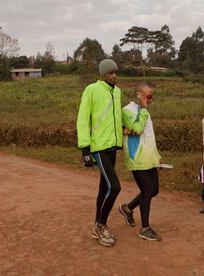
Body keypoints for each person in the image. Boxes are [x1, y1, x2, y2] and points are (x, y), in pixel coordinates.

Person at [76, 59, 123, 247]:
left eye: (115, 72)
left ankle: (97, 225)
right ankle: (101, 225)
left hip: (112, 147)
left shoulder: (117, 92)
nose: (114, 76)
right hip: (98, 148)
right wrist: (85, 150)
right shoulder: (92, 90)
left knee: (104, 188)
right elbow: (82, 119)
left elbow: (118, 116)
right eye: (110, 73)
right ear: (103, 74)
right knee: (115, 187)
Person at [118, 83, 162, 241]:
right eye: (148, 97)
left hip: (149, 158)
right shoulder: (127, 111)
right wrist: (143, 109)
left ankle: (127, 208)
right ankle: (145, 228)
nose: (150, 100)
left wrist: (156, 157)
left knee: (154, 190)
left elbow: (148, 136)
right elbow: (137, 129)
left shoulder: (145, 112)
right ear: (139, 95)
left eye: (152, 97)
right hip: (137, 157)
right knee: (147, 191)